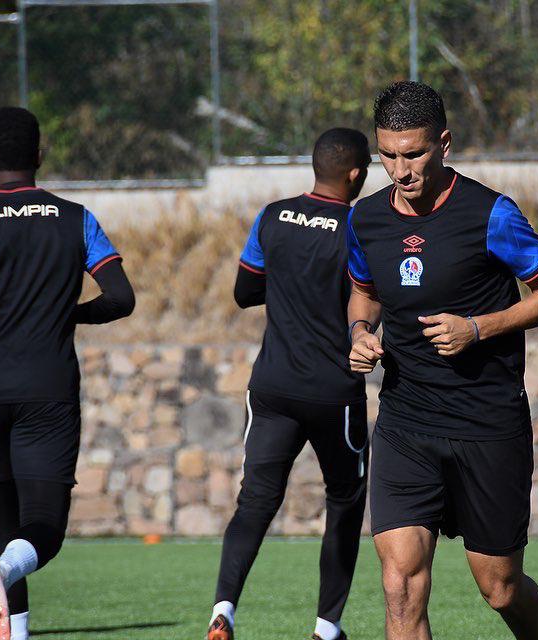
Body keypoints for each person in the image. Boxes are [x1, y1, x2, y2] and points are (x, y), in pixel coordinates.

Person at [346, 80, 538, 640]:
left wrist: (479, 328)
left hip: (486, 422)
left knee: (499, 587)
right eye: (389, 156)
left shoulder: (491, 214)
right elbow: (365, 290)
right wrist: (359, 331)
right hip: (406, 422)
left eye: (415, 153)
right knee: (400, 586)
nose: (401, 171)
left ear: (444, 143)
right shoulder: (365, 220)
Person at [0, 106, 135, 640]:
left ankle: (10, 628)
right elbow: (120, 297)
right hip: (47, 389)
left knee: (1, 525)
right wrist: (73, 313)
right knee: (45, 527)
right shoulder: (75, 218)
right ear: (40, 155)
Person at [207, 128, 372, 640]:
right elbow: (372, 294)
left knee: (255, 500)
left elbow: (243, 291)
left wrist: (288, 288)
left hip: (273, 387)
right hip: (334, 392)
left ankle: (224, 610)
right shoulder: (361, 224)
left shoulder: (273, 215)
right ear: (355, 173)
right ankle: (326, 628)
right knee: (344, 500)